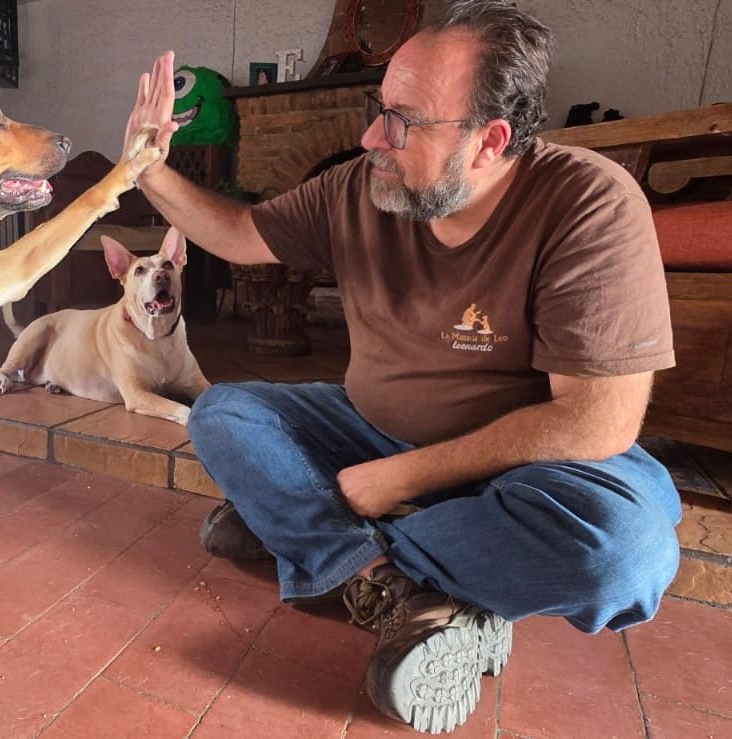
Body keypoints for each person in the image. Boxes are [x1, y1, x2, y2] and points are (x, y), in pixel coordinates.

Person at [122, 0, 681, 733]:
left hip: (527, 465)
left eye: (402, 121)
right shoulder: (357, 188)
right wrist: (149, 169)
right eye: (376, 108)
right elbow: (236, 232)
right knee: (225, 415)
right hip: (369, 427)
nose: (368, 138)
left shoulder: (588, 203)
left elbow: (597, 419)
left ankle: (314, 541)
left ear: (489, 142)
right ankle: (418, 589)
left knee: (621, 553)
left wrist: (403, 480)